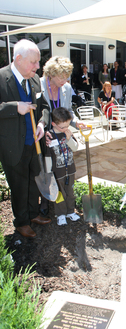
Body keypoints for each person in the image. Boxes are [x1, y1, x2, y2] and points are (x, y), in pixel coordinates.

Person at [0, 39, 51, 238]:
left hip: (34, 143)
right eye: (34, 62)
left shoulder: (34, 80)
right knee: (19, 185)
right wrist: (15, 108)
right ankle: (21, 222)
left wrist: (41, 123)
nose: (38, 67)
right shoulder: (1, 77)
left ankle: (32, 213)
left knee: (33, 180)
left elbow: (44, 107)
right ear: (18, 59)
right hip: (11, 145)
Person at [46, 107, 80, 226]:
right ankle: (60, 214)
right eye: (62, 127)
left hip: (70, 170)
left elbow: (75, 147)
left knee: (70, 192)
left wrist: (69, 139)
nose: (66, 129)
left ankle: (70, 211)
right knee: (59, 194)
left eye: (67, 126)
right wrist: (48, 172)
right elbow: (47, 155)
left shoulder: (68, 133)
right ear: (53, 123)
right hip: (57, 172)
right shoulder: (49, 136)